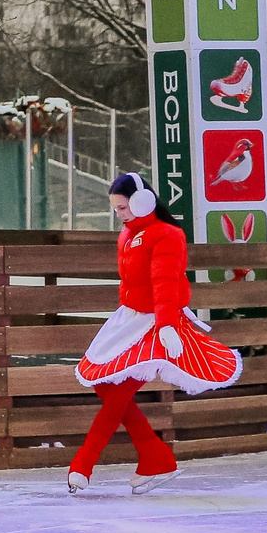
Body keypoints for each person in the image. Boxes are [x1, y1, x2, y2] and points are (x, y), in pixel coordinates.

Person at [68, 174, 243, 495]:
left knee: (118, 394)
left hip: (157, 324)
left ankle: (83, 464)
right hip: (129, 320)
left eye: (123, 207)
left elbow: (165, 282)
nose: (119, 214)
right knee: (102, 382)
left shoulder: (167, 235)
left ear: (142, 201)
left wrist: (165, 325)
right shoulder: (127, 235)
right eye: (116, 209)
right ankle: (155, 455)